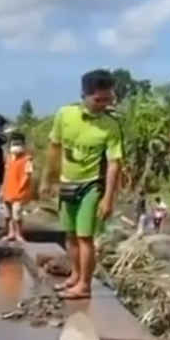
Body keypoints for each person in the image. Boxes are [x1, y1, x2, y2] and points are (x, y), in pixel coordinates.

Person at [42, 69, 123, 300]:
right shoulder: (64, 115)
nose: (103, 104)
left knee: (85, 236)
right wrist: (49, 178)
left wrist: (108, 198)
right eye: (98, 100)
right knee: (69, 235)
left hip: (92, 185)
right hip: (68, 184)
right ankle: (75, 276)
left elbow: (114, 164)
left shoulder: (111, 125)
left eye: (108, 99)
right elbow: (54, 147)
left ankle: (85, 285)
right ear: (84, 95)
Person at [1, 132, 33, 243]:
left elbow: (27, 175)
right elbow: (6, 174)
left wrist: (21, 187)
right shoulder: (9, 158)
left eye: (18, 144)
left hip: (19, 193)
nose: (15, 146)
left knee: (17, 215)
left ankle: (19, 234)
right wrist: (2, 189)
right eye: (13, 144)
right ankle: (11, 233)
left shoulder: (27, 159)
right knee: (8, 215)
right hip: (8, 191)